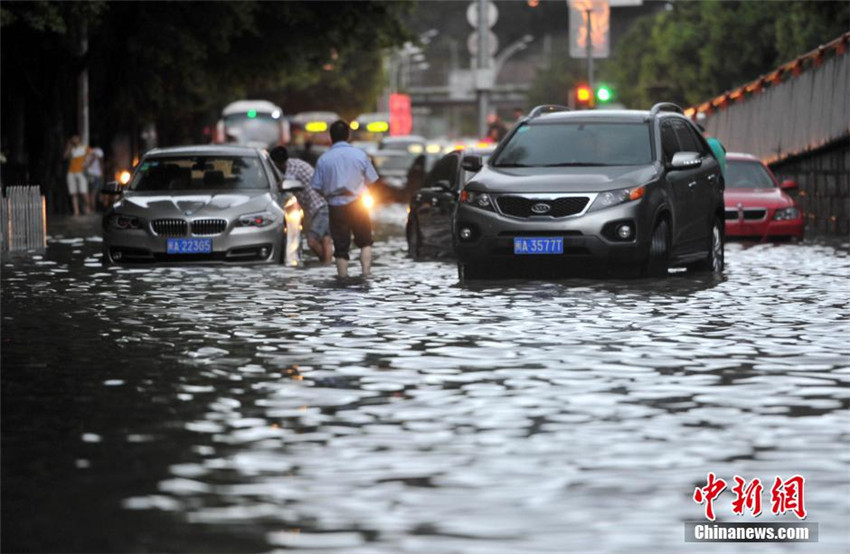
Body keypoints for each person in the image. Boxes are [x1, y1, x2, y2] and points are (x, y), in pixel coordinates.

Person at [311, 120, 379, 278]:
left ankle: (342, 278)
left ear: (331, 137)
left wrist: (328, 194)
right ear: (348, 135)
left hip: (335, 206)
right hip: (358, 204)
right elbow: (372, 179)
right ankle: (366, 274)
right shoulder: (360, 155)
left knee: (340, 247)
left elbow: (316, 186)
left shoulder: (324, 159)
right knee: (365, 241)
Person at [269, 146, 333, 264]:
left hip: (320, 207)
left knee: (312, 241)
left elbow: (286, 185)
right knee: (326, 239)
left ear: (276, 163)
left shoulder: (292, 168)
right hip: (324, 204)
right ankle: (328, 267)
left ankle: (324, 263)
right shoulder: (295, 163)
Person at [63, 135, 91, 215]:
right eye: (73, 139)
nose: (74, 140)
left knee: (83, 192)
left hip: (81, 172)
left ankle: (88, 208)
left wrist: (87, 165)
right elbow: (64, 157)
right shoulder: (71, 149)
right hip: (71, 172)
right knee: (73, 193)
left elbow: (91, 157)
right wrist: (68, 147)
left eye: (75, 138)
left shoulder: (85, 148)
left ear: (79, 139)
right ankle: (76, 211)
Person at [85, 139, 105, 213]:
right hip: (96, 174)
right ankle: (93, 208)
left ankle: (91, 208)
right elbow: (101, 162)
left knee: (91, 192)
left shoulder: (89, 151)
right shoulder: (99, 151)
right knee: (94, 193)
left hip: (90, 174)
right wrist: (102, 172)